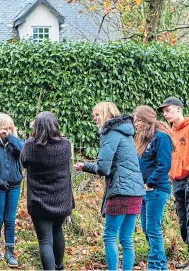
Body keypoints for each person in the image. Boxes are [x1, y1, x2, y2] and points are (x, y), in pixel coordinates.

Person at [75, 102, 145, 271]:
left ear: (107, 114)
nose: (95, 119)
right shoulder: (126, 133)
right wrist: (86, 165)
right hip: (136, 191)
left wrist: (86, 166)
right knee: (127, 238)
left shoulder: (109, 133)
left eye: (97, 115)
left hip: (120, 192)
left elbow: (104, 168)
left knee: (109, 236)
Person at [157, 97, 189, 270]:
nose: (165, 114)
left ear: (179, 109)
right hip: (178, 181)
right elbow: (172, 156)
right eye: (163, 112)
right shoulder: (171, 132)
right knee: (184, 221)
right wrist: (172, 177)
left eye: (168, 110)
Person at [20, 111, 75, 271]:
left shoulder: (30, 145)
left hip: (39, 201)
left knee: (45, 240)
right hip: (61, 199)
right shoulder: (66, 144)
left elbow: (23, 162)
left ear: (37, 127)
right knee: (58, 231)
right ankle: (59, 267)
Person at [133, 105, 174, 270]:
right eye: (135, 121)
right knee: (146, 227)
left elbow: (164, 164)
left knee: (153, 228)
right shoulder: (145, 138)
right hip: (144, 189)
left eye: (139, 120)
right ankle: (160, 263)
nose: (136, 124)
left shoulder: (161, 137)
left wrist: (150, 183)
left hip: (156, 189)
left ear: (147, 120)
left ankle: (156, 265)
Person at [0, 113, 24, 267]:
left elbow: (24, 152)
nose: (7, 131)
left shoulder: (16, 142)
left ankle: (10, 252)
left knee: (10, 219)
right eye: (4, 128)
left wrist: (11, 139)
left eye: (10, 128)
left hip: (14, 185)